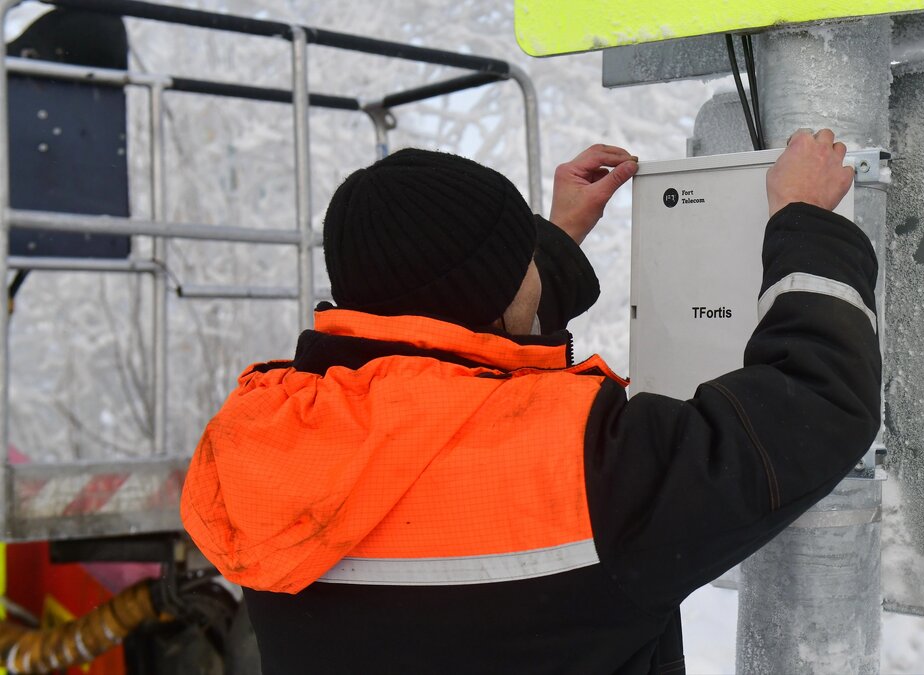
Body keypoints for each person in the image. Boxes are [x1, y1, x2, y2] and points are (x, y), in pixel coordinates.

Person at [180, 129, 881, 674]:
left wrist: (553, 237)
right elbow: (813, 400)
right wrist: (806, 224)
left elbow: (444, 352)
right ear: (494, 290)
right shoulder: (583, 468)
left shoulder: (253, 444)